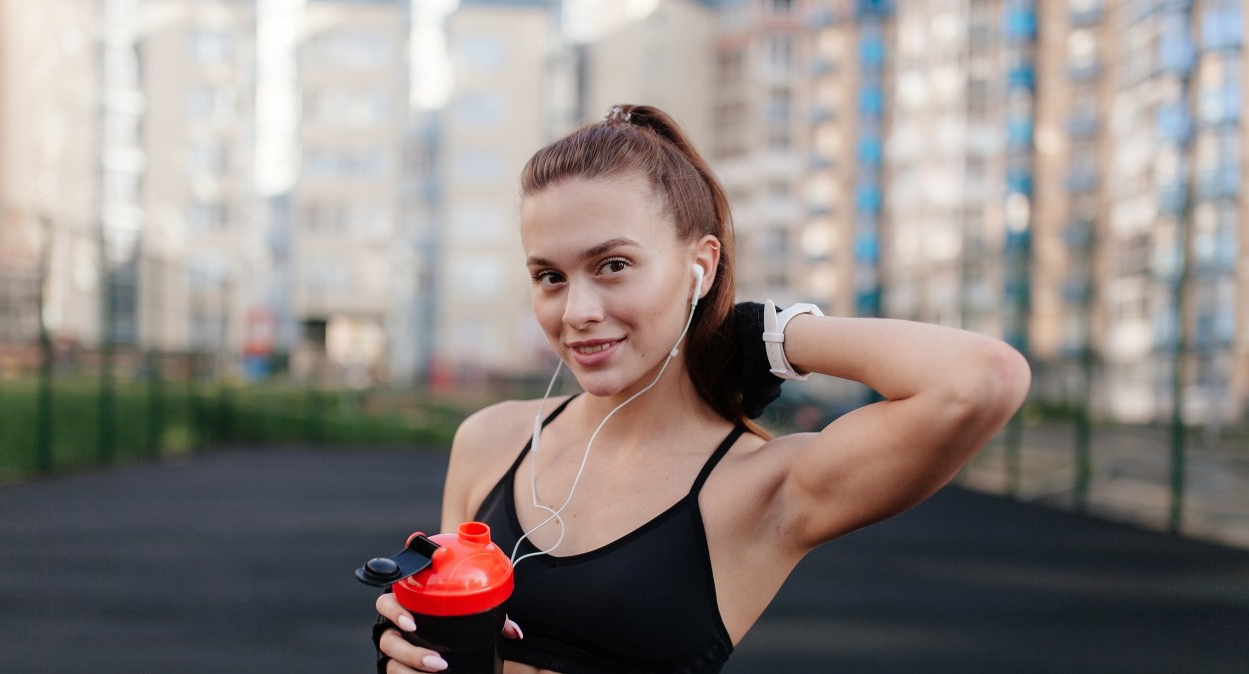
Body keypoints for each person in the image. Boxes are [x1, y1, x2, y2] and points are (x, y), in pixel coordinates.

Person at [373, 104, 1031, 673]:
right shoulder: (489, 440)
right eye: (550, 276)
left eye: (613, 266)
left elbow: (981, 379)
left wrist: (769, 334)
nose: (576, 312)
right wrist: (408, 648)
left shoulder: (757, 487)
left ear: (701, 265)